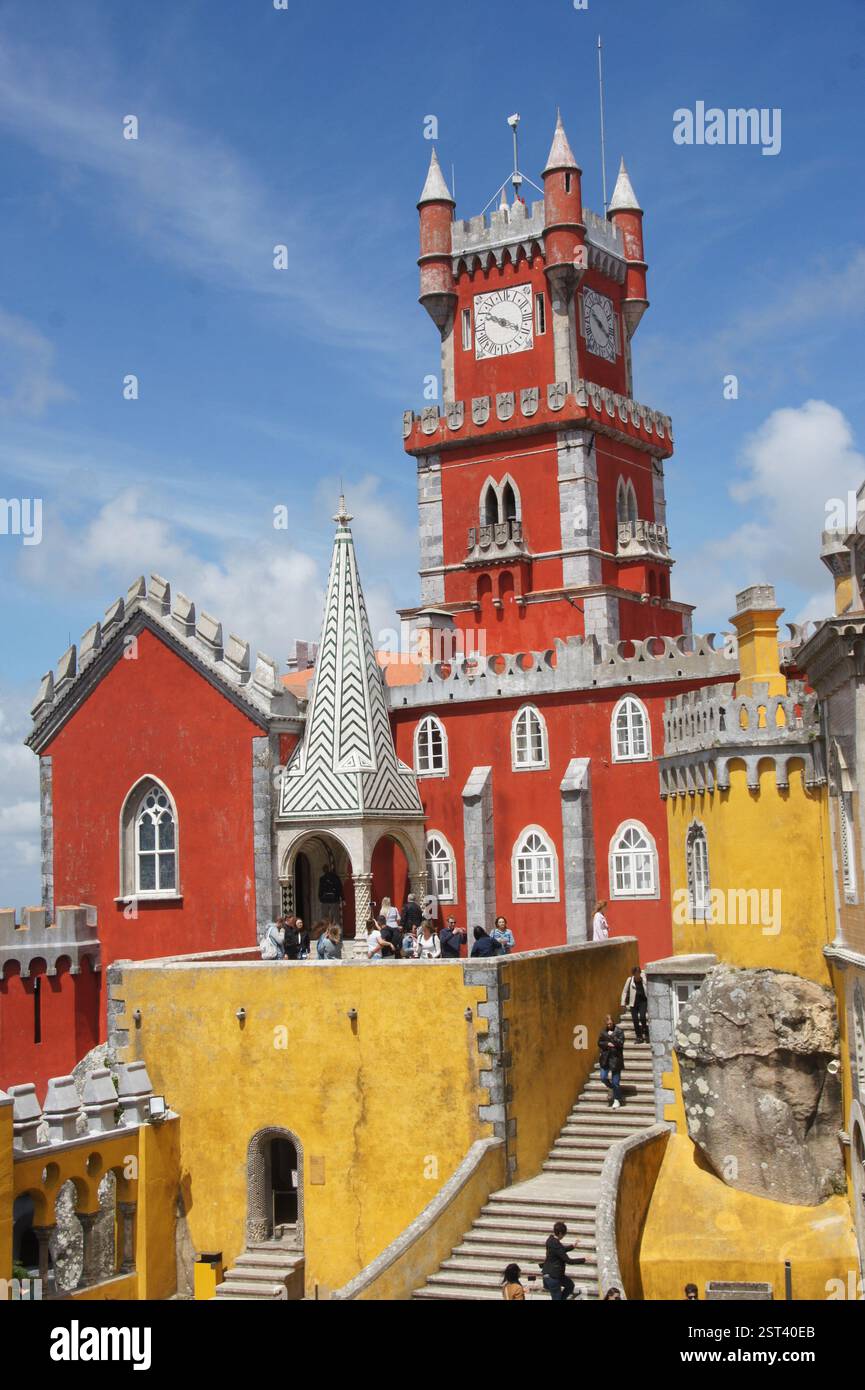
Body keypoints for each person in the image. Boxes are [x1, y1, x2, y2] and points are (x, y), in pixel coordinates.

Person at [540, 1221, 585, 1300]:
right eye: (564, 1234)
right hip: (553, 1277)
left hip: (551, 1274)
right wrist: (584, 1259)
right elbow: (569, 1261)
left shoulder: (550, 1240)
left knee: (570, 1285)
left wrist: (572, 1246)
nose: (563, 1236)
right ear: (560, 1233)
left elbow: (560, 1250)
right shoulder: (556, 1244)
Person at [598, 1013, 625, 1109]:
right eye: (608, 1024)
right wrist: (607, 1043)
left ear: (613, 1022)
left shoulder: (619, 1031)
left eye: (611, 1023)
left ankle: (617, 1099)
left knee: (615, 1081)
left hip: (616, 1058)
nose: (609, 1025)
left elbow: (621, 1043)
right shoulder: (603, 1032)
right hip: (605, 1059)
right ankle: (612, 1088)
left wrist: (613, 1037)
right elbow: (599, 1043)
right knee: (603, 1077)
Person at [621, 965, 649, 1042]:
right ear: (633, 974)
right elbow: (625, 991)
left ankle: (646, 1034)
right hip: (633, 1003)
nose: (637, 975)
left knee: (643, 1017)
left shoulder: (644, 979)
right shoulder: (630, 980)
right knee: (635, 1020)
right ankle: (639, 1037)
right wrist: (623, 1003)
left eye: (638, 973)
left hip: (643, 1001)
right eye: (636, 973)